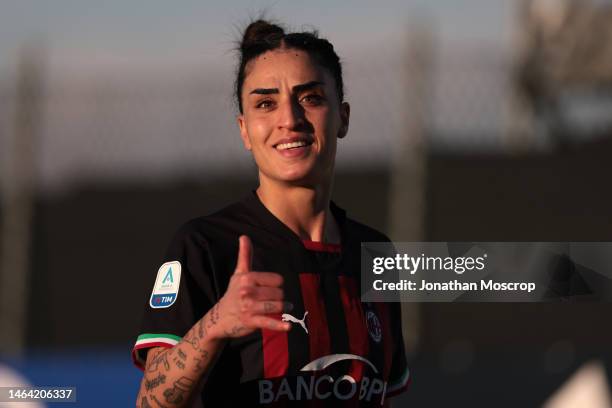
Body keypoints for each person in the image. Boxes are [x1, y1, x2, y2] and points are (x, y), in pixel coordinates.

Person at [132, 19, 410, 407]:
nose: (289, 119)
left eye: (310, 98)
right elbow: (149, 403)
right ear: (245, 130)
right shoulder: (206, 245)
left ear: (343, 116)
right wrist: (217, 324)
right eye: (266, 103)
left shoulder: (375, 253)